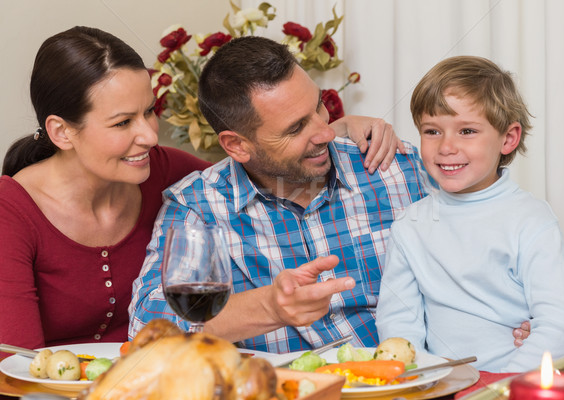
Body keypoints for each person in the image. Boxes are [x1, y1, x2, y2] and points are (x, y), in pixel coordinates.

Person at [0, 27, 394, 352]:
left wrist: (329, 133)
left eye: (149, 111)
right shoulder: (10, 210)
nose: (149, 135)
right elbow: (11, 365)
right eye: (122, 123)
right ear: (61, 131)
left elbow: (254, 165)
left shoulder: (168, 172)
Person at [128, 36, 434, 353]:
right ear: (237, 145)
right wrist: (271, 307)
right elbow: (147, 330)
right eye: (295, 128)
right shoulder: (199, 208)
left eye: (318, 106)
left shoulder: (393, 166)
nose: (326, 132)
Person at [375, 56, 564, 372]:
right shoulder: (409, 225)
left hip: (514, 384)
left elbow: (559, 326)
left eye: (467, 130)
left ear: (508, 139)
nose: (446, 147)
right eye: (432, 131)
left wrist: (502, 386)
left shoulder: (531, 220)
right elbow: (399, 321)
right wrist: (417, 379)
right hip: (438, 385)